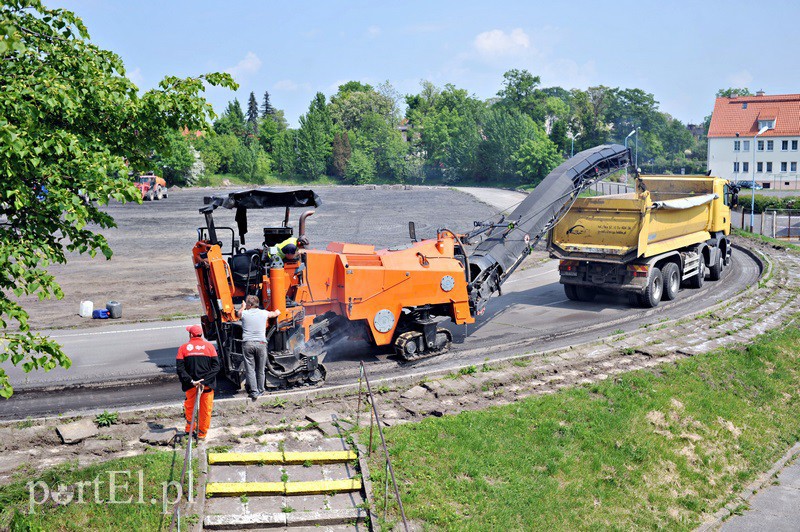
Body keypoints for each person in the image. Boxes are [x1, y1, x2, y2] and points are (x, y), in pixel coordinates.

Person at [176, 325, 220, 440]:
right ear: (201, 334)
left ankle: (189, 430)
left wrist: (191, 381)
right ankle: (201, 434)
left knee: (190, 407)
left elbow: (180, 369)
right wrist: (204, 381)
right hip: (206, 386)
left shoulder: (183, 348)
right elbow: (216, 367)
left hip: (191, 385)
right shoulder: (209, 347)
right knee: (205, 410)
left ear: (191, 335)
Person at [238, 295, 280, 400]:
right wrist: (278, 310)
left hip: (248, 344)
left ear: (249, 304)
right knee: (260, 369)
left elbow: (238, 314)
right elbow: (275, 314)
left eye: (247, 303)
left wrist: (242, 306)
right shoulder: (263, 313)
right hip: (261, 344)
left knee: (250, 369)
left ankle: (254, 392)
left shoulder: (244, 313)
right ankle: (261, 390)